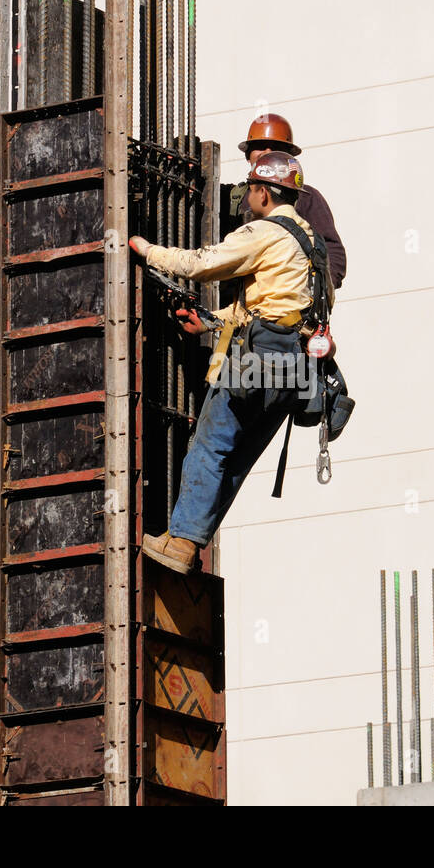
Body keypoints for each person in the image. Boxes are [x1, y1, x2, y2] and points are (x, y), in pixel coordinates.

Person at [130, 151, 332, 574]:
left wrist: (149, 251)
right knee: (237, 460)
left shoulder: (265, 232)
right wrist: (209, 324)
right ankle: (186, 538)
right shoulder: (312, 242)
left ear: (262, 191)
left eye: (251, 190)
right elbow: (283, 309)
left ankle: (182, 543)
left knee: (210, 445)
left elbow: (202, 264)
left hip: (258, 363)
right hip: (296, 374)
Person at [231, 113, 347, 289]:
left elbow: (332, 251)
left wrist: (314, 294)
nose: (267, 152)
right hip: (241, 303)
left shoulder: (306, 197)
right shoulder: (234, 199)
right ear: (248, 156)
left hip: (286, 303)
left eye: (276, 147)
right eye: (260, 146)